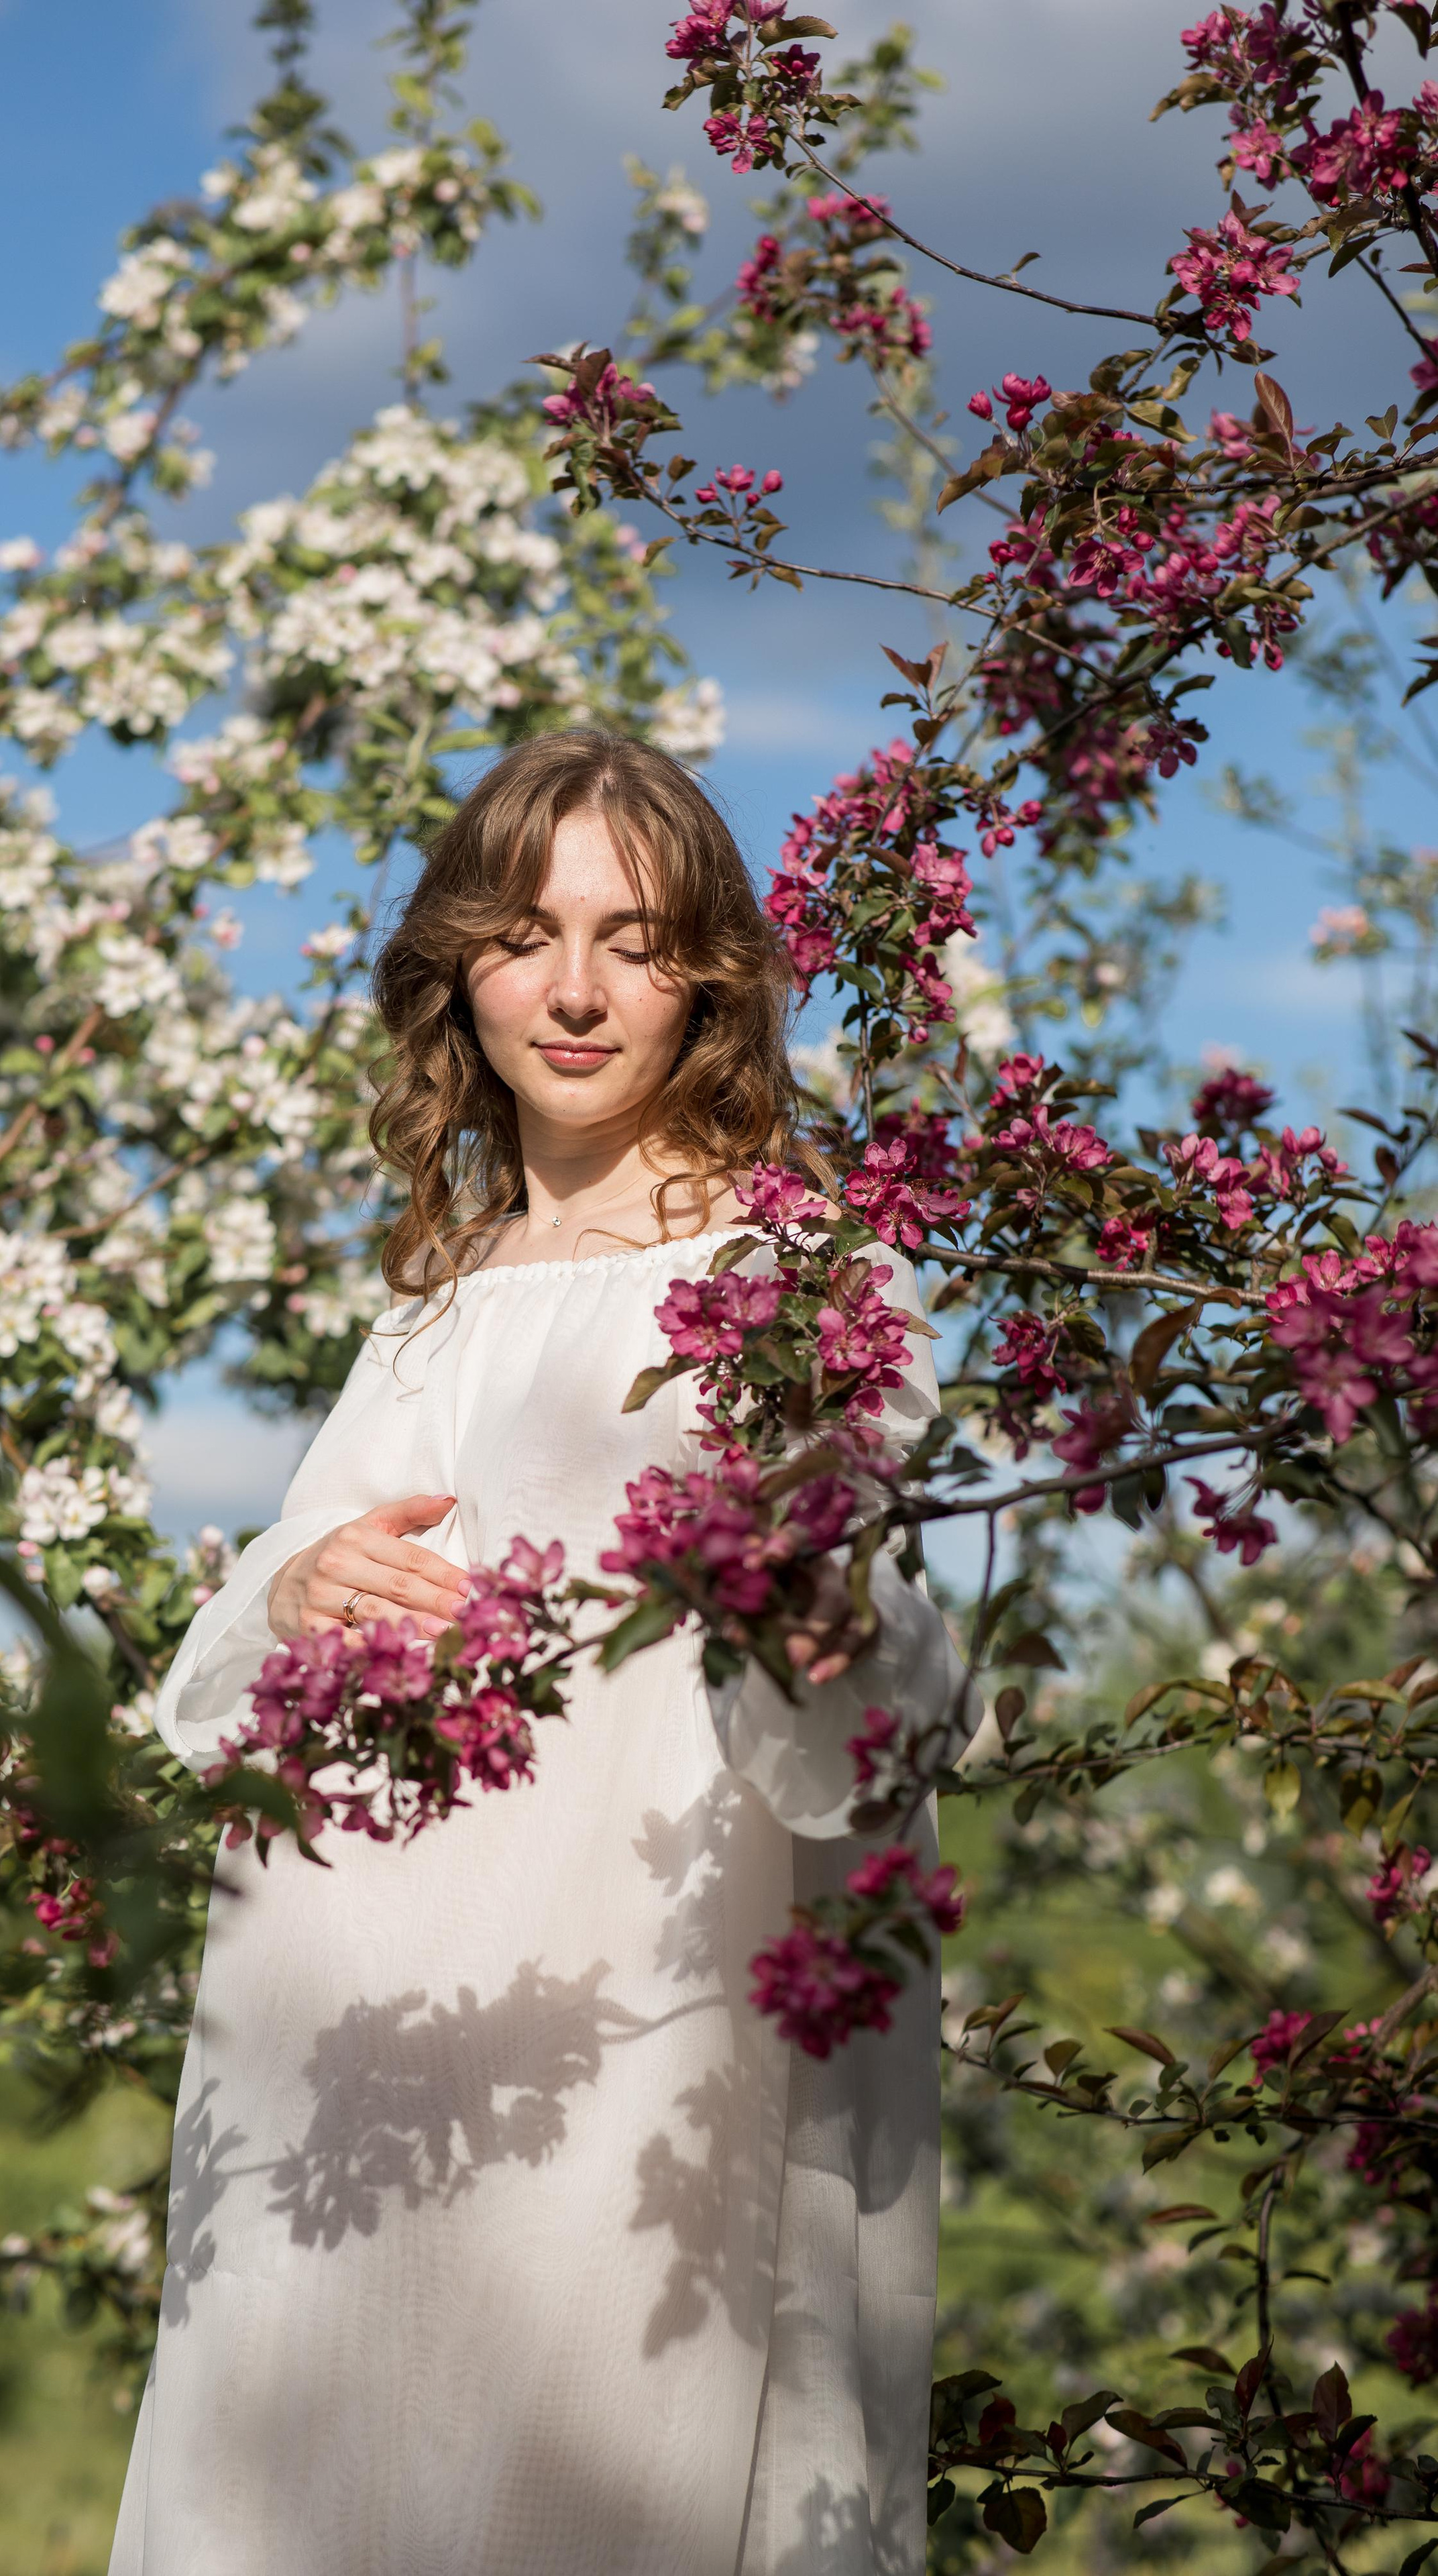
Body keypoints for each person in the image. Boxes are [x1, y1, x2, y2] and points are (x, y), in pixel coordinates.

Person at [109, 731, 978, 2576]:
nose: (574, 990)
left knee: (614, 2462)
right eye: (527, 933)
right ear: (460, 970)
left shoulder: (804, 1275)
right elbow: (242, 1650)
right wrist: (296, 1587)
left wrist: (810, 1615)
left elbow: (885, 1673)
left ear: (713, 978)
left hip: (648, 2014)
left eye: (634, 938)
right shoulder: (436, 1301)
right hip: (356, 2032)